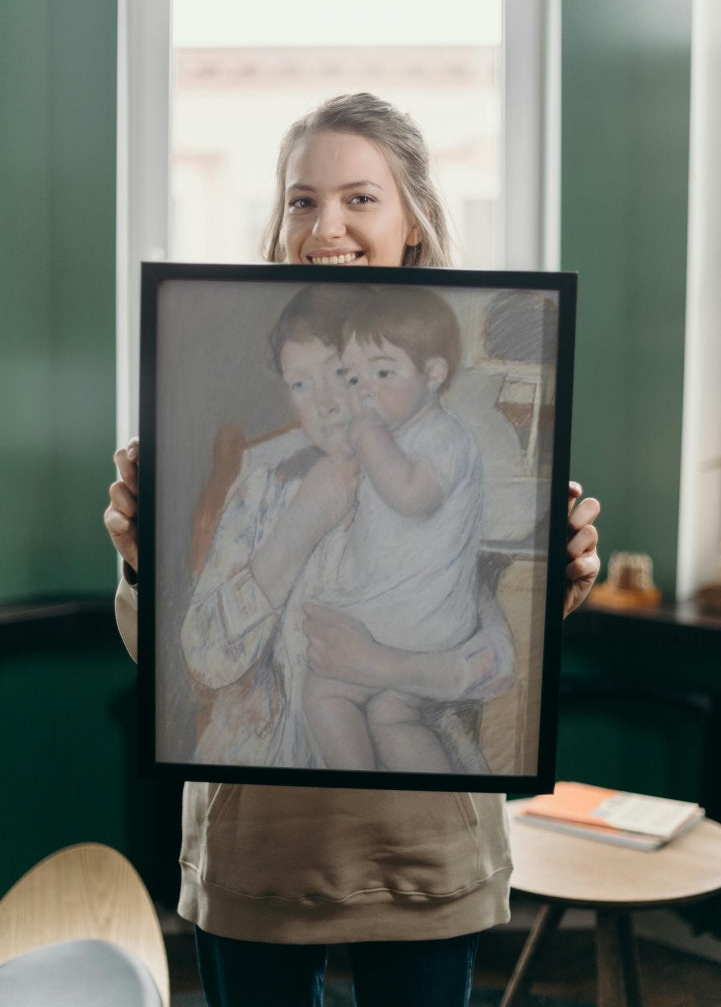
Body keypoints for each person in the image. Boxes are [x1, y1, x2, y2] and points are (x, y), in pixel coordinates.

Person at [105, 92, 601, 1007]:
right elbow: (193, 662)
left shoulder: (459, 444)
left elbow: (495, 663)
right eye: (301, 199)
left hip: (419, 853)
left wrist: (562, 581)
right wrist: (147, 560)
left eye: (360, 198)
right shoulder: (261, 477)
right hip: (259, 856)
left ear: (412, 221)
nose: (325, 223)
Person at [304, 286, 486, 774]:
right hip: (420, 623)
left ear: (433, 374)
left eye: (383, 372)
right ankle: (427, 799)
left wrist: (367, 436)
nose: (364, 390)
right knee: (393, 714)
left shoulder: (446, 437)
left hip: (411, 621)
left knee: (325, 691)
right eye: (353, 376)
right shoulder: (402, 435)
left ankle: (352, 789)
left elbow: (410, 497)